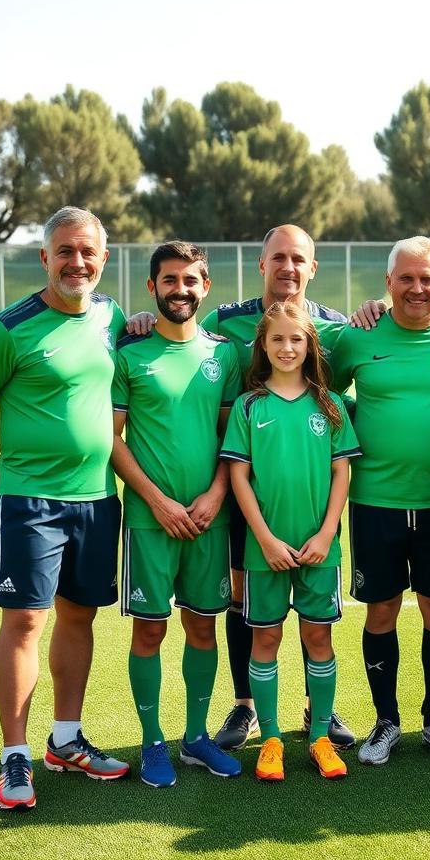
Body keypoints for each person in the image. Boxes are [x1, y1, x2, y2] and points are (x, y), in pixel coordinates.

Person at [0, 206, 129, 811]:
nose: (78, 262)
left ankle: (66, 739)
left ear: (104, 258)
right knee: (24, 622)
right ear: (44, 258)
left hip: (99, 500)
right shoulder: (8, 329)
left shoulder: (112, 316)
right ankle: (15, 754)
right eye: (66, 251)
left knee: (81, 618)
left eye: (89, 252)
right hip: (31, 502)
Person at [328, 236, 430, 766]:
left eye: (428, 279)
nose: (417, 288)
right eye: (406, 278)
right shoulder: (358, 336)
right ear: (388, 283)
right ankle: (386, 723)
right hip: (375, 501)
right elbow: (317, 388)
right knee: (382, 609)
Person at [201, 225, 354, 752]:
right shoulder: (223, 320)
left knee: (316, 628)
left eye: (299, 259)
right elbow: (184, 343)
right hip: (247, 483)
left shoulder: (335, 327)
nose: (289, 267)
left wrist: (378, 308)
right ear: (262, 264)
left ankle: (320, 714)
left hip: (311, 499)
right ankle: (246, 708)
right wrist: (141, 321)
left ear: (313, 268)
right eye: (278, 258)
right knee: (246, 601)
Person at [111, 241, 242, 788]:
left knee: (203, 629)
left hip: (209, 517)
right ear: (152, 288)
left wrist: (215, 495)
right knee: (149, 631)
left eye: (191, 281)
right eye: (170, 280)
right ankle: (152, 742)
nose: (180, 290)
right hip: (150, 520)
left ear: (205, 288)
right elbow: (111, 439)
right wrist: (158, 502)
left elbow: (229, 436)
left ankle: (195, 737)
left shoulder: (224, 355)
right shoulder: (129, 353)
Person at [221, 301, 360, 781]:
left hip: (320, 549)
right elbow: (239, 477)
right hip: (267, 551)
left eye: (296, 339)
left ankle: (320, 736)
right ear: (262, 344)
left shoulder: (331, 405)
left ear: (310, 346)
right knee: (268, 637)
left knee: (318, 636)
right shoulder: (249, 405)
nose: (286, 347)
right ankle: (272, 739)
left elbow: (342, 473)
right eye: (276, 339)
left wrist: (326, 533)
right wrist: (265, 539)